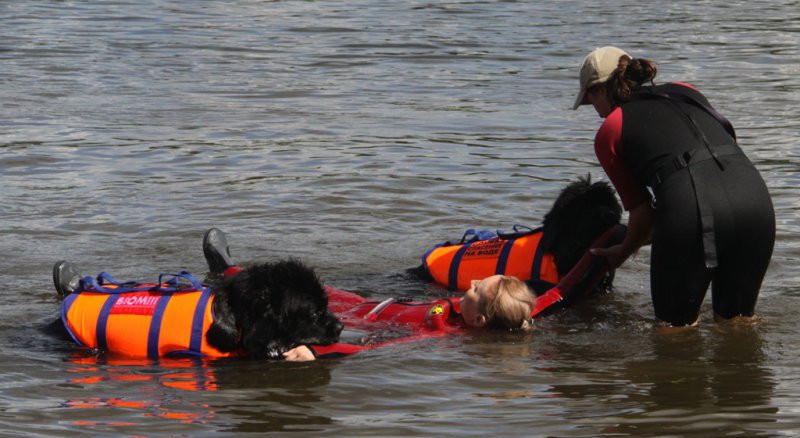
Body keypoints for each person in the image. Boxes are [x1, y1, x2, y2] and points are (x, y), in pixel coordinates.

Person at [572, 46, 775, 326]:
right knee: (738, 324)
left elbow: (642, 213)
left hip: (692, 205)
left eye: (589, 100)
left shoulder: (611, 128)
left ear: (598, 91)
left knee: (674, 332)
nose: (595, 112)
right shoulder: (684, 89)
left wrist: (623, 251)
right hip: (755, 198)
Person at [201, 229, 536, 361]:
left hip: (362, 320)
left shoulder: (440, 333)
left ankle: (225, 274)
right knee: (305, 289)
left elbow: (374, 346)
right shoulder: (465, 312)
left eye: (478, 288)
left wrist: (315, 352)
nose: (473, 280)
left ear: (478, 319)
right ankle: (230, 271)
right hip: (365, 302)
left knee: (297, 313)